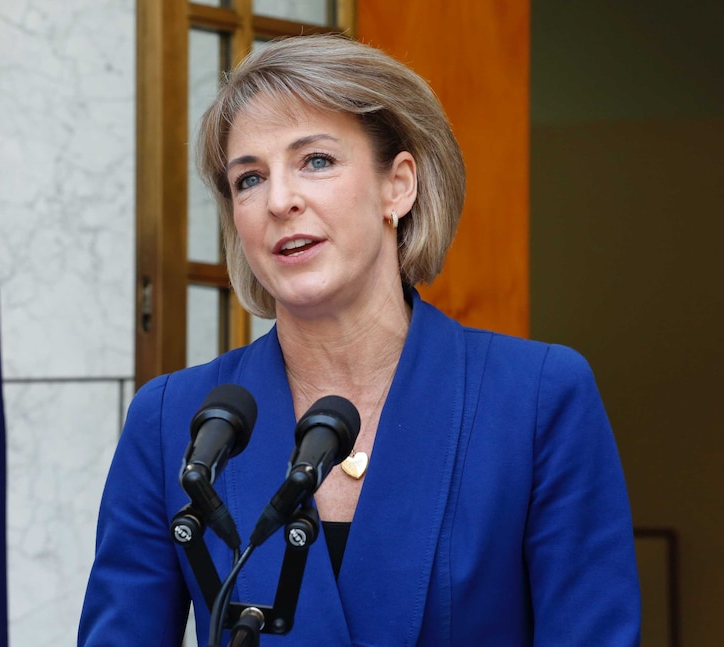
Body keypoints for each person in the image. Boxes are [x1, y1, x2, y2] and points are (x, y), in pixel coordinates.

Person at [78, 34, 640, 646]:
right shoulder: (172, 421)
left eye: (315, 161)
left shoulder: (537, 399)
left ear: (397, 185)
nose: (280, 200)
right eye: (249, 179)